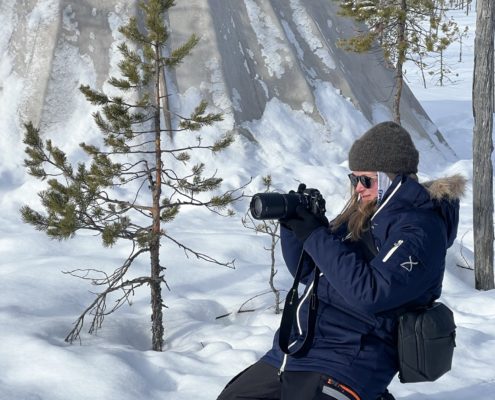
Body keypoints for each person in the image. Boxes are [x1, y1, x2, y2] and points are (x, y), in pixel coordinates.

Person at [217, 121, 465, 400]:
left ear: (392, 177)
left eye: (366, 180)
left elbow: (371, 293)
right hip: (295, 352)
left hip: (351, 360)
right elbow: (310, 272)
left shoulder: (419, 230)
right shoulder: (362, 216)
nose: (358, 188)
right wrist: (295, 227)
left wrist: (316, 236)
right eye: (354, 179)